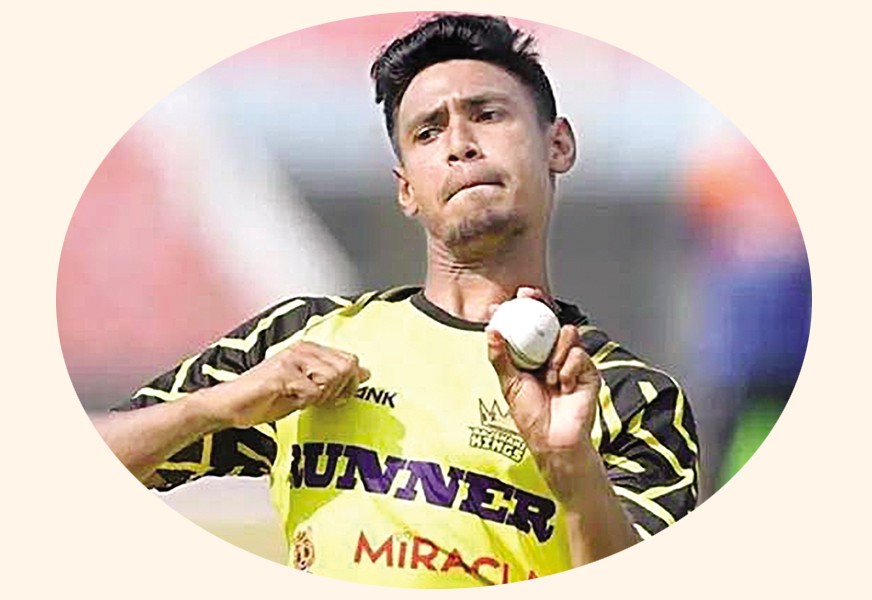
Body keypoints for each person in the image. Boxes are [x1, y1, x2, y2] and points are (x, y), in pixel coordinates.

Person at [93, 13, 699, 587]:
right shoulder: (301, 340)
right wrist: (214, 408)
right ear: (406, 188)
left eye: (487, 114)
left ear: (558, 145)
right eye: (428, 131)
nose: (460, 144)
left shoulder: (626, 395)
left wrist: (572, 468)